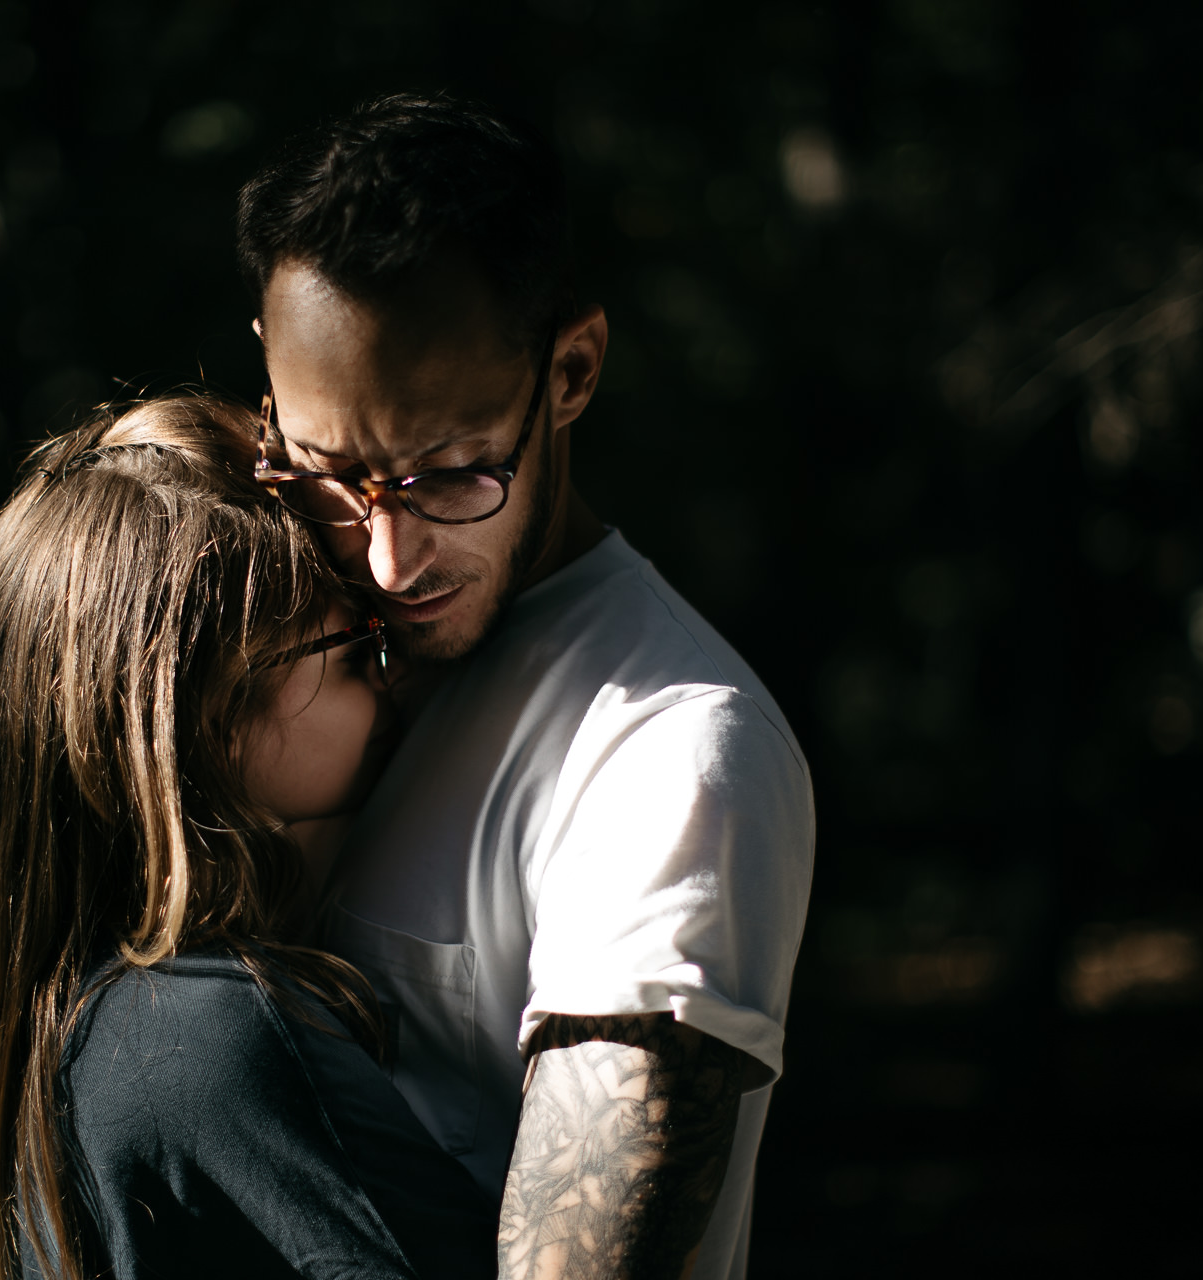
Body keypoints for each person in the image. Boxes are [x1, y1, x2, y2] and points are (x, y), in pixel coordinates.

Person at [236, 95, 817, 1279]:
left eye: (451, 472)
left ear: (572, 369)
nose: (386, 559)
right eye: (327, 472)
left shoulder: (669, 753)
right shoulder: (285, 641)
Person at [0, 395, 495, 1280]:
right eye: (359, 650)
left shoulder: (24, 1057)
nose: (395, 679)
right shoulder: (215, 1043)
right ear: (212, 718)